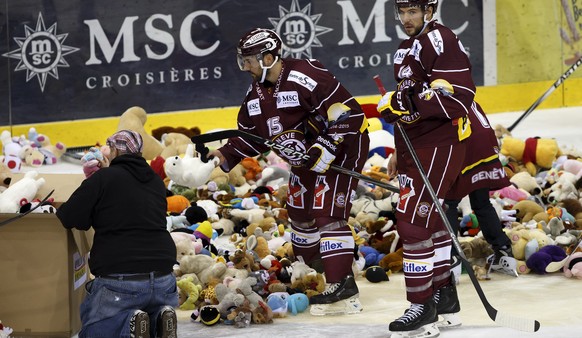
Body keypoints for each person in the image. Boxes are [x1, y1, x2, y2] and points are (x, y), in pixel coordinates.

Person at [207, 28, 370, 316]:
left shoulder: (306, 74)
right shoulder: (255, 92)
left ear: (269, 57)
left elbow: (350, 114)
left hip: (344, 147)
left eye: (250, 60)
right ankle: (315, 274)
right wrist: (222, 154)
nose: (245, 67)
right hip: (306, 159)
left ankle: (342, 285)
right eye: (242, 60)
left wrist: (328, 146)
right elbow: (250, 137)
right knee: (300, 214)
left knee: (327, 213)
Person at [377, 0, 477, 336]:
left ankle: (421, 306)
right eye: (402, 12)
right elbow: (413, 100)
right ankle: (443, 298)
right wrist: (397, 116)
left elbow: (459, 97)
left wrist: (406, 102)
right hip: (416, 142)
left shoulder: (440, 40)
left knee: (412, 222)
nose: (406, 19)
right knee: (429, 220)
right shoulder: (406, 48)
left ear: (429, 11)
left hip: (440, 142)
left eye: (412, 12)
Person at [56, 130, 178, 338]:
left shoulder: (103, 179)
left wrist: (95, 185)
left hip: (121, 280)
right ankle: (159, 317)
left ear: (114, 150)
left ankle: (127, 322)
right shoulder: (156, 182)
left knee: (92, 331)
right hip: (164, 279)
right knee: (147, 312)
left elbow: (69, 216)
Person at [444, 107, 518, 278]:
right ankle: (503, 252)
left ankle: (451, 259)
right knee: (482, 202)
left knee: (449, 203)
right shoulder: (463, 88)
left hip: (465, 144)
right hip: (485, 145)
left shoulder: (436, 90)